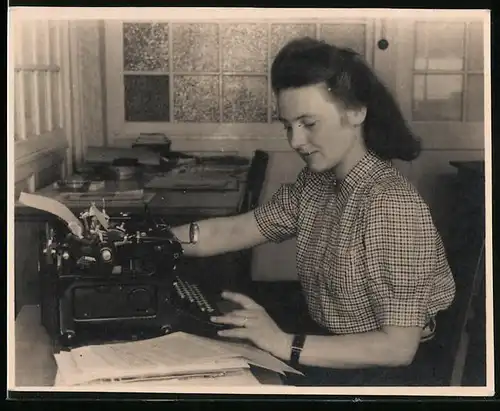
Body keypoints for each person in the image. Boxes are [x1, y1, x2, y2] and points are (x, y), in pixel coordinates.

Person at [170, 37, 456, 386]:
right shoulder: (315, 184)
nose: (295, 141)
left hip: (389, 374)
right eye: (288, 126)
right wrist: (146, 240)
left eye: (309, 123)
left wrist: (280, 343)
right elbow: (232, 231)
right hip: (333, 344)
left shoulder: (389, 203)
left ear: (356, 111)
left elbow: (398, 348)